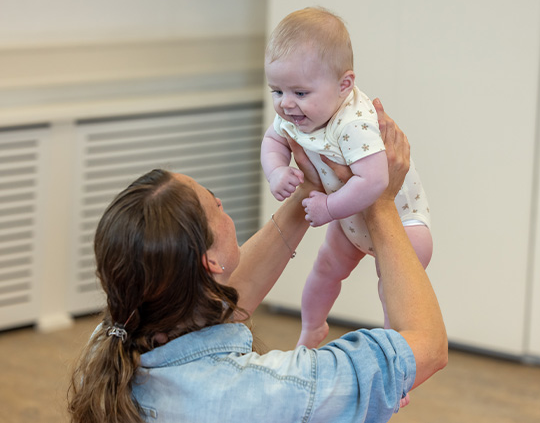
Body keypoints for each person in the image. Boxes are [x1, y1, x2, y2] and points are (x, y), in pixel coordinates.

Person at [67, 100, 447, 423]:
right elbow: (426, 346)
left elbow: (225, 301)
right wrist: (380, 201)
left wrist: (311, 189)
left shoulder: (107, 347)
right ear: (210, 261)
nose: (223, 208)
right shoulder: (275, 389)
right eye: (216, 204)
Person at [261, 7, 433, 348]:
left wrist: (328, 207)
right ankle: (312, 328)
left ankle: (398, 356)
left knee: (392, 294)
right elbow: (272, 140)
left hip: (404, 225)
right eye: (277, 91)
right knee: (325, 269)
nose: (286, 105)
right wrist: (277, 171)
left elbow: (374, 182)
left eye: (300, 92)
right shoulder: (296, 117)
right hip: (352, 220)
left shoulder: (353, 123)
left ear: (344, 85)